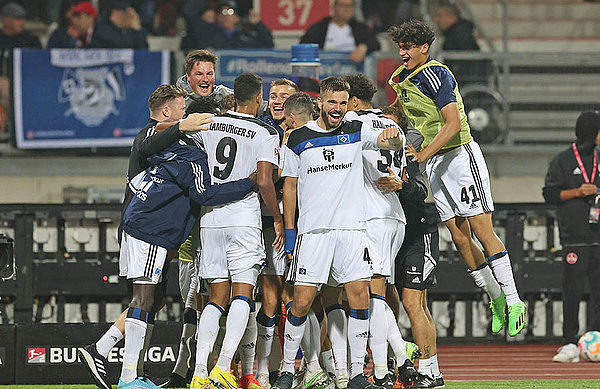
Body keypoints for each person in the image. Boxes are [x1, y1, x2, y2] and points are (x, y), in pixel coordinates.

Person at [387, 20, 527, 337]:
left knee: (481, 229)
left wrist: (420, 154)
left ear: (424, 47)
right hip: (435, 163)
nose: (402, 53)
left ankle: (515, 300)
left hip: (459, 156)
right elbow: (407, 114)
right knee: (460, 239)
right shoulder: (399, 78)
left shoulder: (438, 73)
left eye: (408, 47)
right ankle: (495, 299)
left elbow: (451, 124)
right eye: (400, 47)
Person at [271, 76, 404, 389]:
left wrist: (394, 137)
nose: (338, 109)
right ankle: (288, 371)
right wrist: (290, 232)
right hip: (313, 233)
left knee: (359, 298)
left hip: (351, 230)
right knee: (302, 302)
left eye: (344, 103)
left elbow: (393, 141)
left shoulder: (357, 129)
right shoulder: (298, 137)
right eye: (333, 102)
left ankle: (357, 373)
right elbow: (289, 186)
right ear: (320, 101)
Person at [78, 85, 213, 389]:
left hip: (151, 229)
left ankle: (107, 353)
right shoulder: (148, 135)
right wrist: (182, 127)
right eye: (180, 109)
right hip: (144, 228)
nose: (185, 114)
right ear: (166, 111)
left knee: (156, 299)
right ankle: (125, 373)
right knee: (144, 296)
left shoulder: (165, 136)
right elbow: (149, 147)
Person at [188, 72, 283, 389]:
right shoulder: (264, 131)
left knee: (215, 298)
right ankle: (224, 368)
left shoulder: (210, 124)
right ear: (259, 98)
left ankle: (200, 371)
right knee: (243, 294)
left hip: (211, 218)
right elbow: (265, 179)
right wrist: (279, 218)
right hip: (243, 217)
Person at [341, 73, 418, 389]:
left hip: (369, 216)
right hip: (394, 215)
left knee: (371, 294)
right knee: (379, 291)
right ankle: (386, 370)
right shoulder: (393, 126)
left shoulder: (352, 121)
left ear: (353, 101)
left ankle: (400, 360)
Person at [377, 105, 445, 388]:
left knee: (413, 303)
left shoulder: (407, 154)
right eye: (384, 126)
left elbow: (420, 190)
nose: (389, 133)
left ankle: (430, 371)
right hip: (389, 233)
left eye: (394, 127)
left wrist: (401, 185)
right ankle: (394, 364)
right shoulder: (372, 153)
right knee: (388, 301)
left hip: (418, 232)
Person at [543, 111, 600, 363]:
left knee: (599, 291)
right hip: (574, 237)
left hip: (598, 237)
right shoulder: (564, 160)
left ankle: (596, 337)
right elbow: (550, 194)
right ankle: (569, 342)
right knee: (572, 291)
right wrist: (578, 191)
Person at [254, 79, 299, 388]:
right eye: (273, 95)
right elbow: (267, 176)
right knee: (270, 296)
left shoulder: (304, 134)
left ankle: (307, 367)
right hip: (269, 220)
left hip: (298, 221)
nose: (277, 100)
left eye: (284, 96)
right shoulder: (262, 130)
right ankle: (263, 370)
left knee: (299, 297)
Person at [300, 0, 379, 63]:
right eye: (343, 5)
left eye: (350, 6)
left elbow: (375, 43)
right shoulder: (319, 28)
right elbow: (304, 45)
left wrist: (364, 47)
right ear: (334, 7)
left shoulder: (360, 27)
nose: (347, 9)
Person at [432, 2, 488, 85]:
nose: (436, 20)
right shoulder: (455, 32)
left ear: (452, 17)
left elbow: (464, 62)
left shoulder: (460, 33)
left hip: (467, 83)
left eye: (440, 16)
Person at [181, 0, 273, 50]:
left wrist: (258, 24)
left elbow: (268, 44)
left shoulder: (246, 37)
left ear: (237, 17)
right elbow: (189, 13)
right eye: (222, 12)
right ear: (217, 16)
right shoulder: (207, 33)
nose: (225, 15)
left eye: (230, 11)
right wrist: (203, 14)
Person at [61, 0, 148, 49]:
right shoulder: (64, 34)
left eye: (77, 16)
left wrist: (138, 30)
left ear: (89, 18)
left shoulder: (103, 32)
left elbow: (124, 45)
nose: (73, 20)